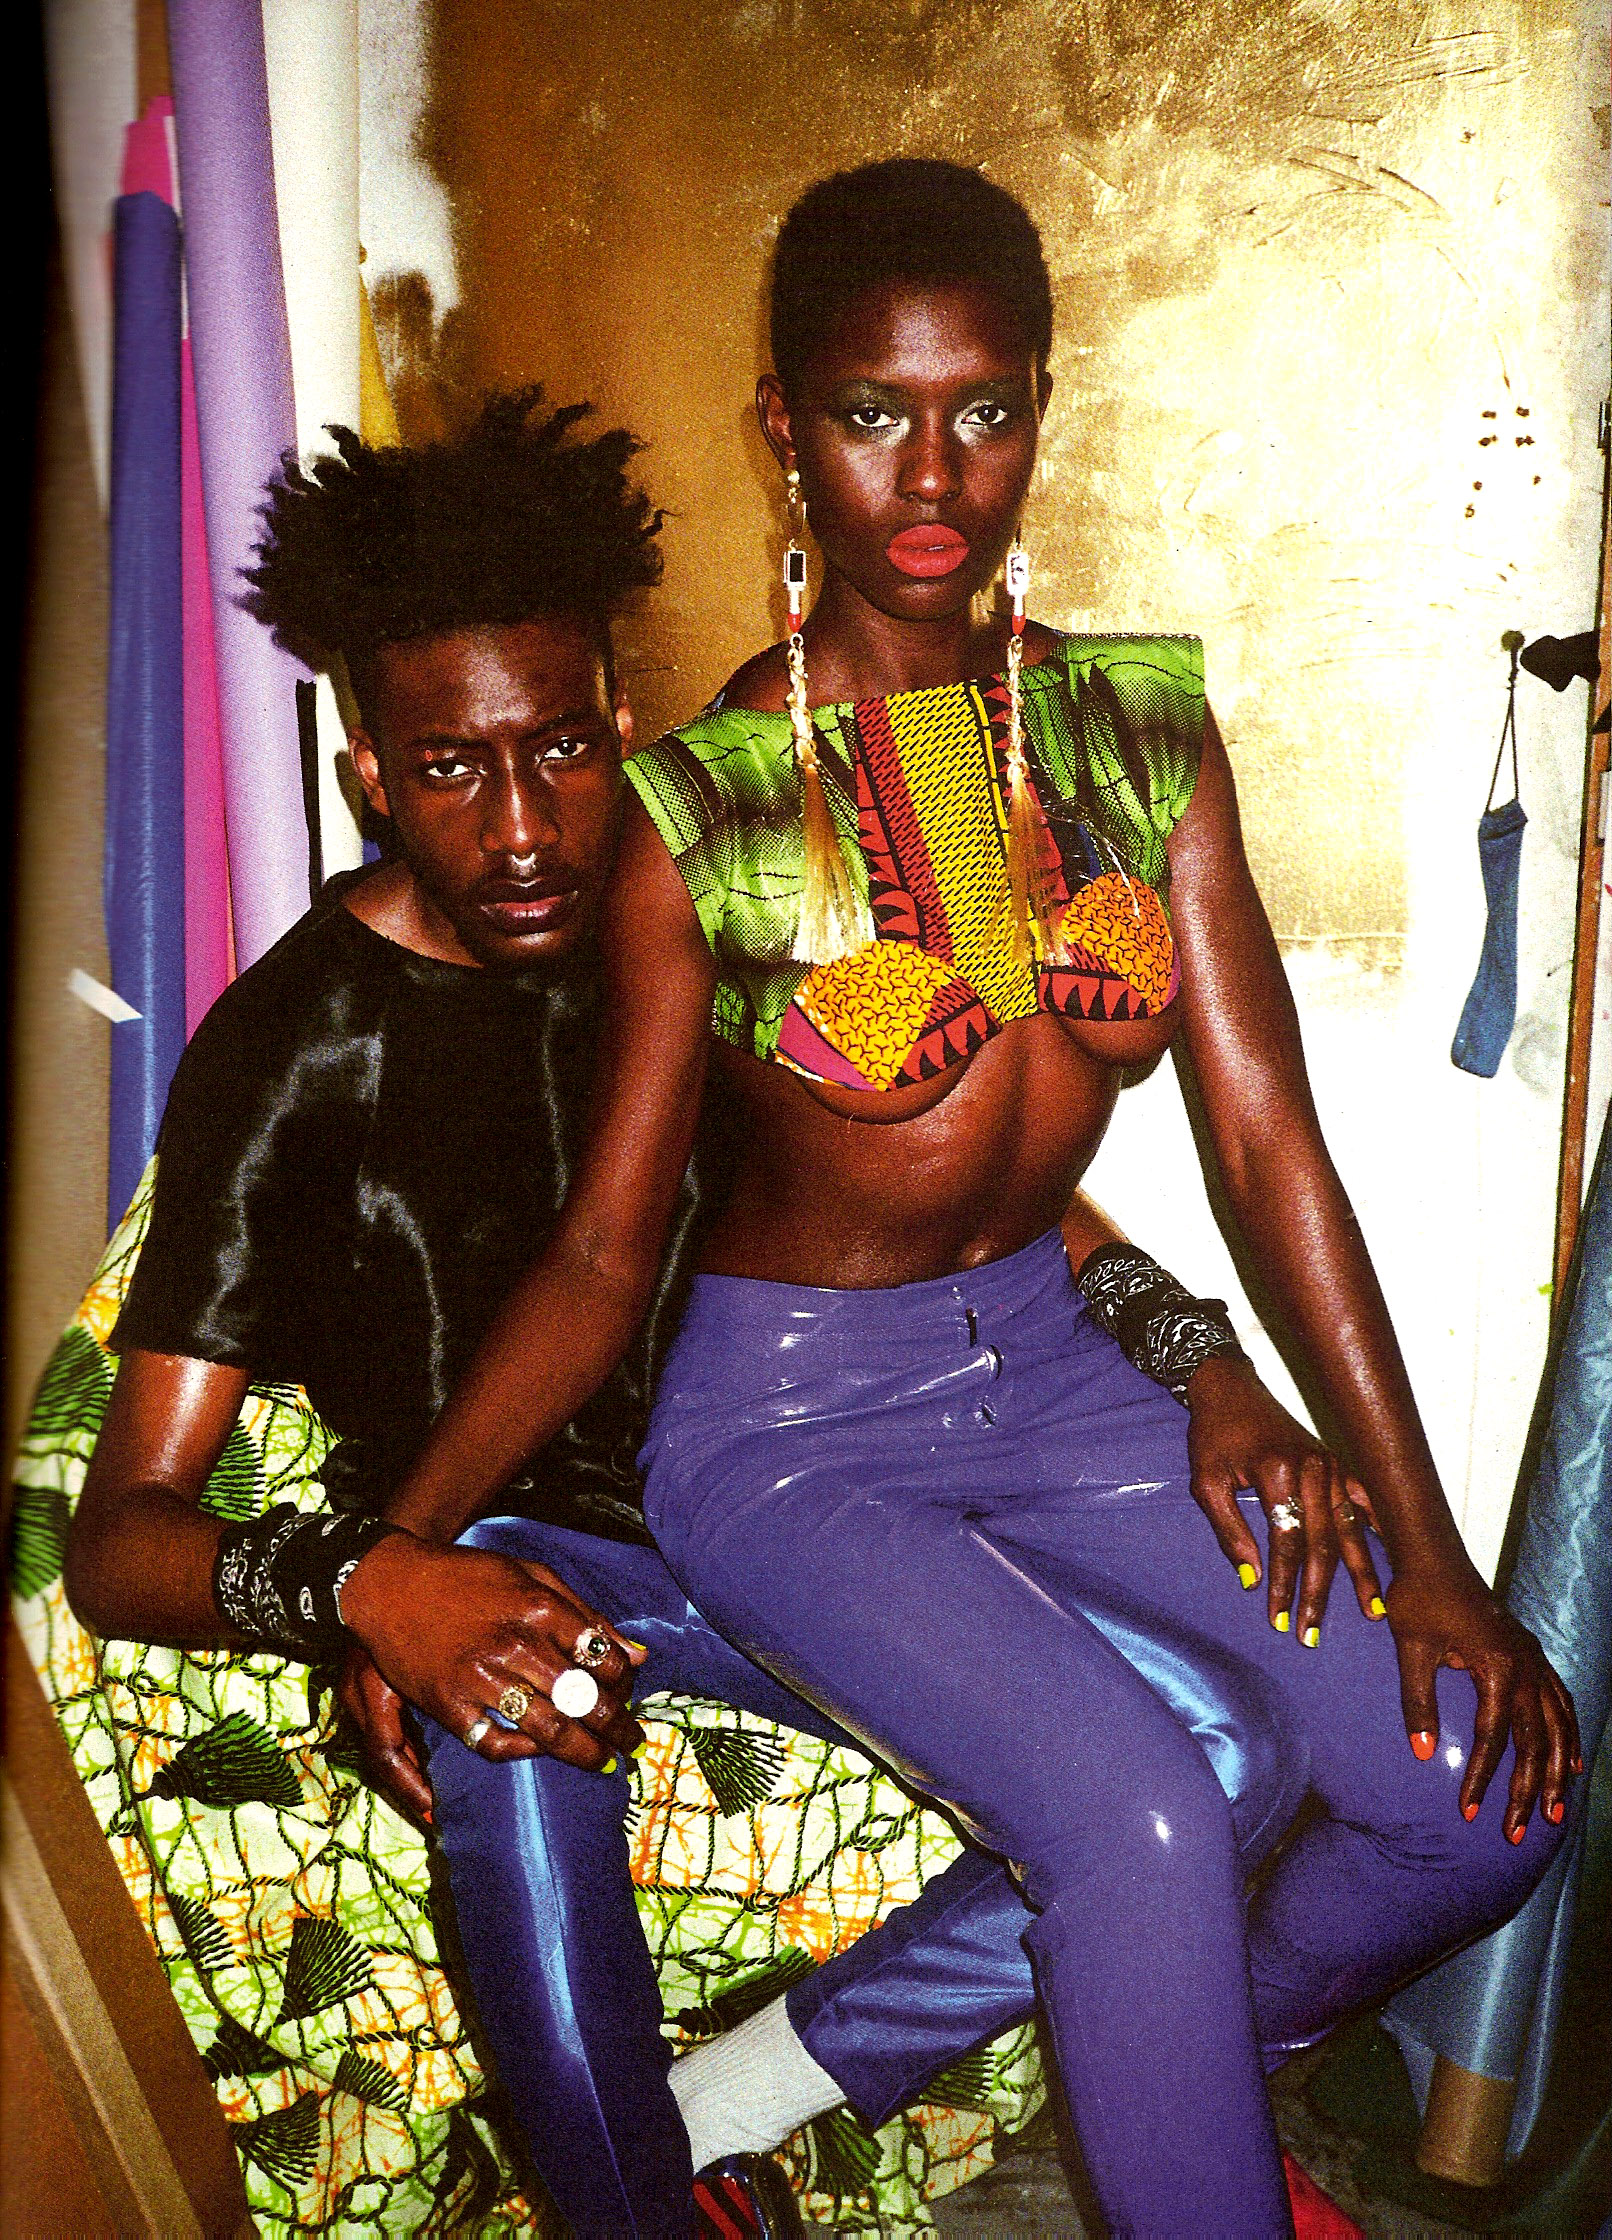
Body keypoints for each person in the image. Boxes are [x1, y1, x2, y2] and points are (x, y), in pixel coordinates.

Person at [345, 166, 1582, 2236]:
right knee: (1140, 1819)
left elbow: (1268, 1149)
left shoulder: (1128, 733)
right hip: (792, 1427)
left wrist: (1435, 1553)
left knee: (1474, 1791)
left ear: (1037, 411)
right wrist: (397, 1549)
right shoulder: (713, 804)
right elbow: (606, 1246)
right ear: (784, 427)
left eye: (982, 411)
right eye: (870, 414)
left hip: (1062, 1368)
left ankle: (1148, 2080)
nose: (932, 479)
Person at [64, 390, 1355, 2237]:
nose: (526, 828)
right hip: (509, 1557)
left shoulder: (710, 888)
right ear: (367, 771)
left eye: (565, 749)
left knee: (1227, 1752)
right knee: (520, 1701)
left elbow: (989, 1200)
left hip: (786, 1505)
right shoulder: (292, 1047)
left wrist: (1202, 1355)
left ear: (621, 720)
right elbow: (120, 1538)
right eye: (452, 769)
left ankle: (723, 2113)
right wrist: (370, 1583)